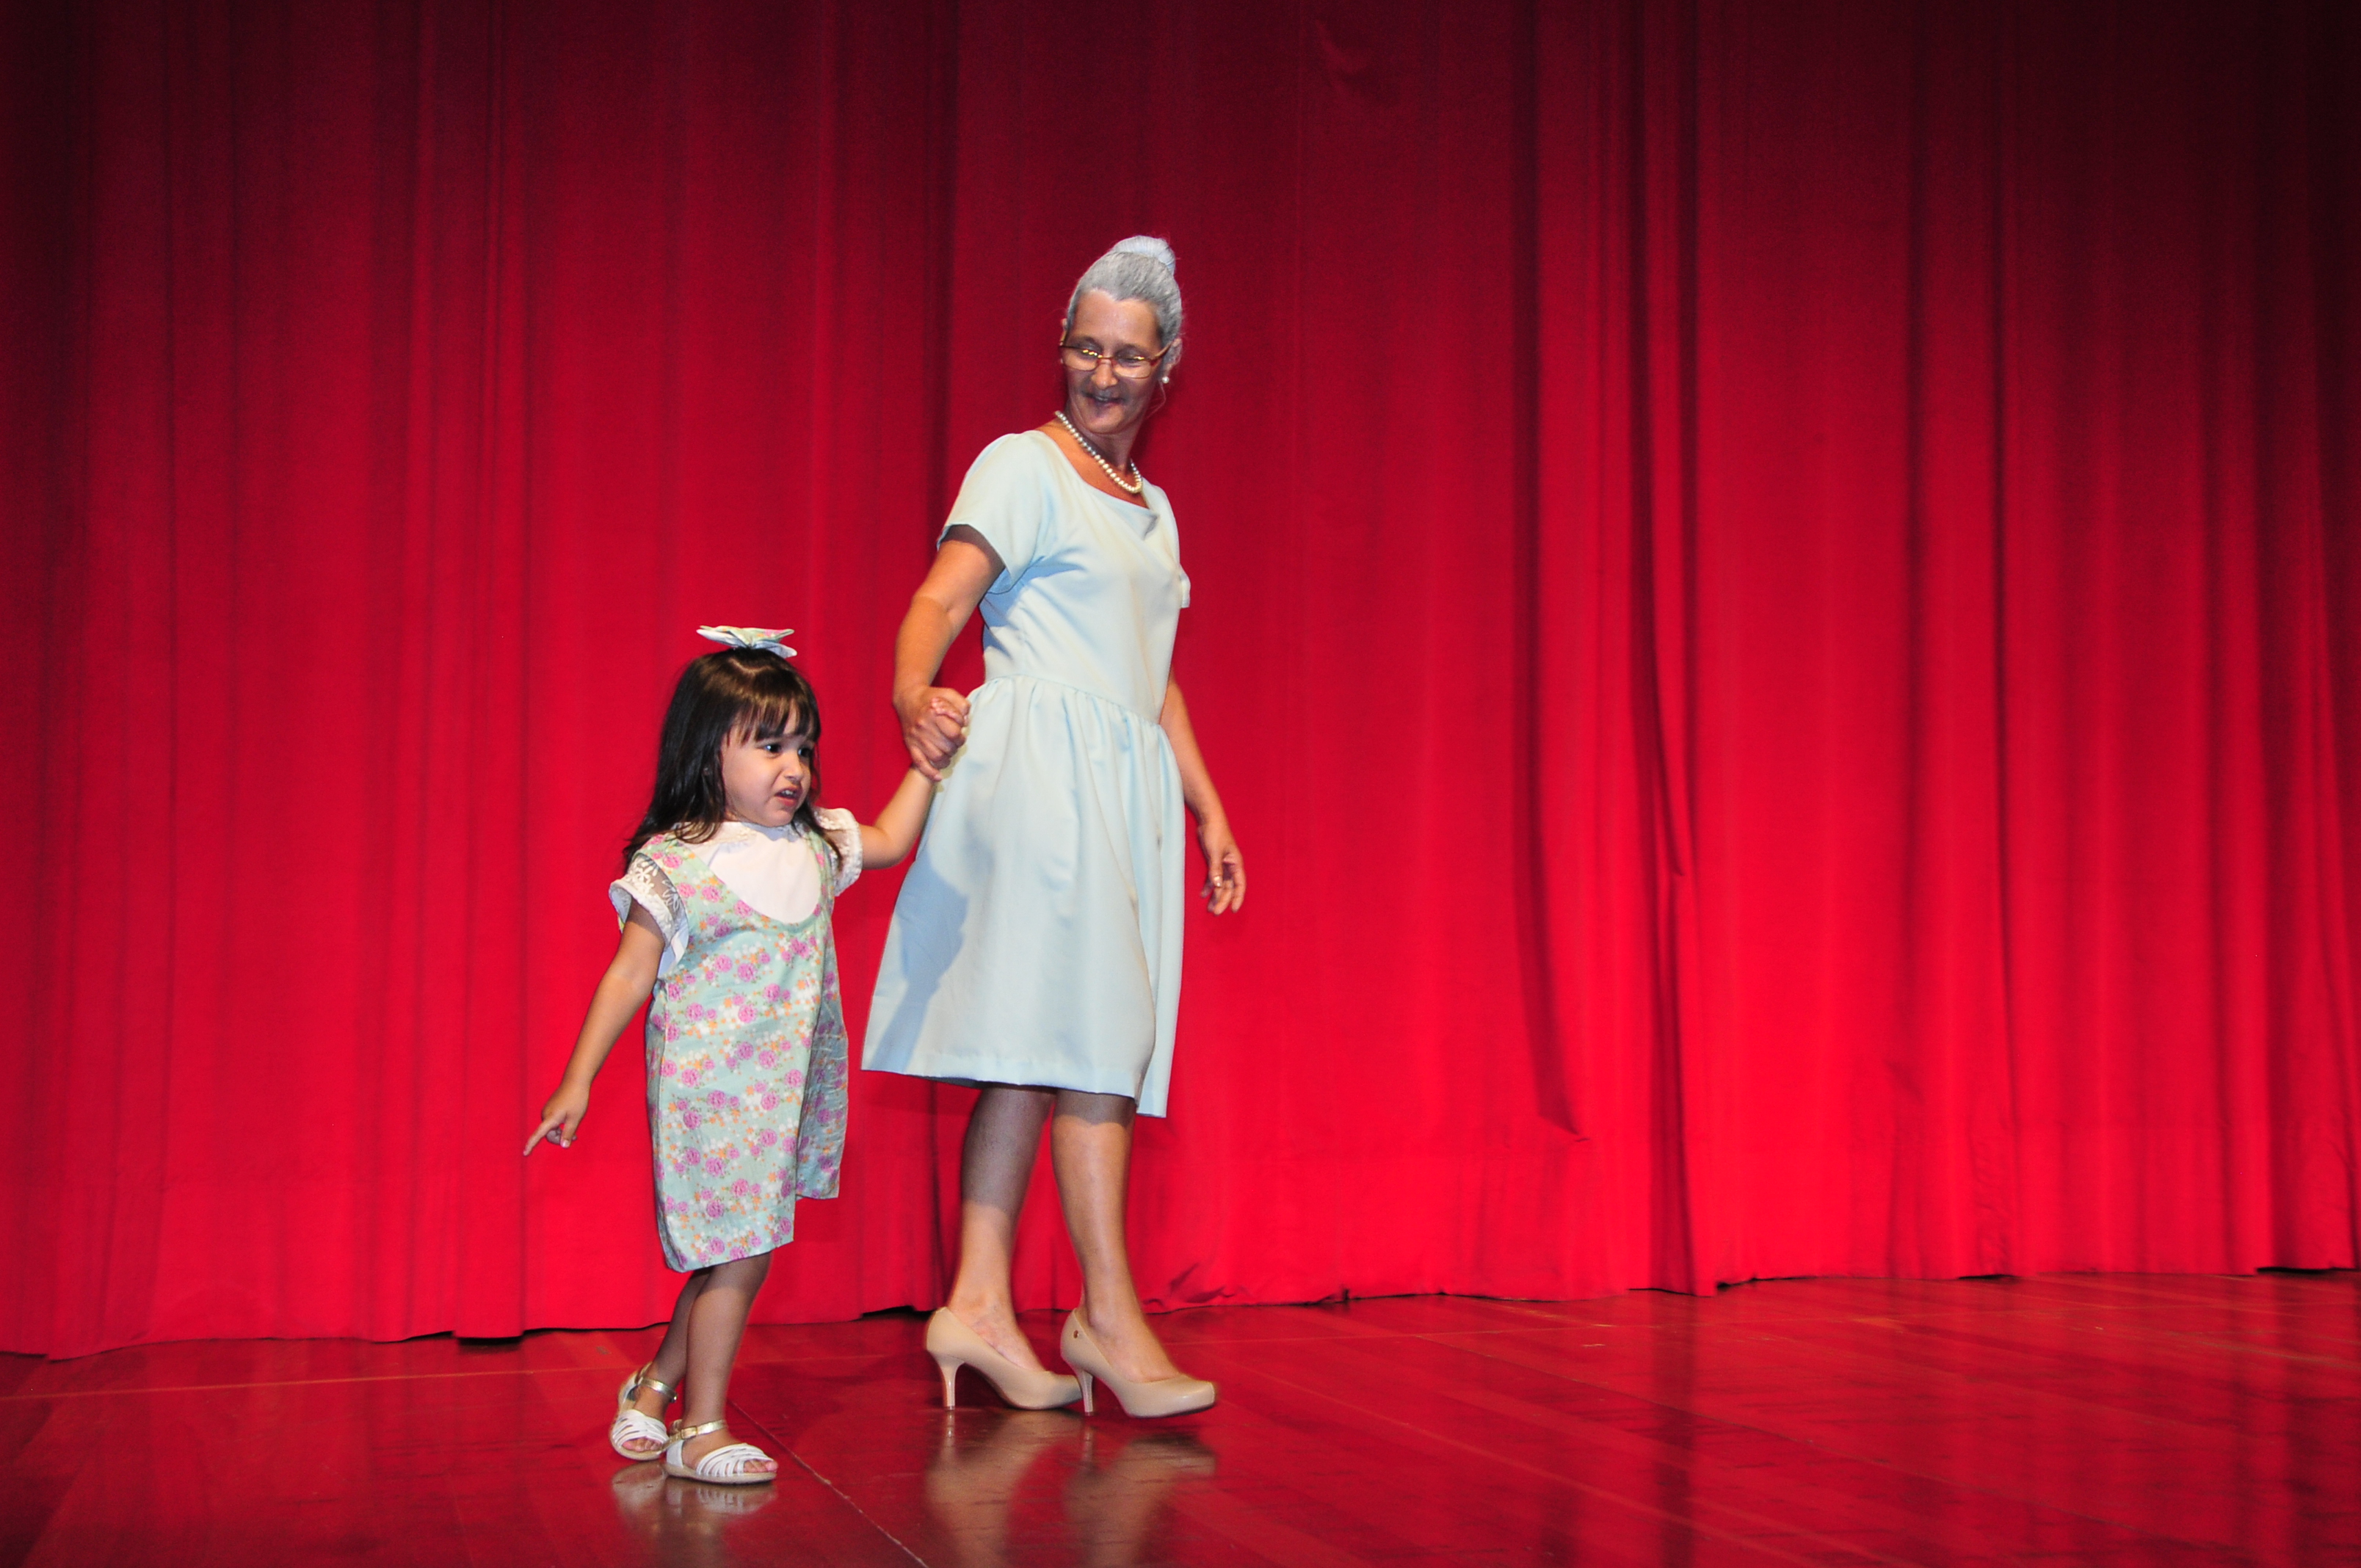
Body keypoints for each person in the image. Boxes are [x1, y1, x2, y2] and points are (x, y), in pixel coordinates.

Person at [865, 237, 1244, 1419]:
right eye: (1088, 348)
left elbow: (1152, 674)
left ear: (1164, 370)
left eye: (1128, 357)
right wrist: (912, 689)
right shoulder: (1022, 466)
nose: (1104, 374)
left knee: (1036, 1046)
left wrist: (1206, 804)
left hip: (1122, 786)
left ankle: (978, 1305)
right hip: (1041, 780)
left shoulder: (1155, 511)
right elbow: (940, 597)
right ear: (1064, 350)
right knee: (1095, 1043)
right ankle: (1106, 1320)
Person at [526, 626, 935, 1481]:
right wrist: (577, 1080)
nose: (795, 768)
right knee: (742, 1255)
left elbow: (892, 839)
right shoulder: (677, 863)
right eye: (770, 747)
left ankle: (652, 1388)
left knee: (735, 1253)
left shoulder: (816, 845)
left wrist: (929, 766)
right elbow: (629, 973)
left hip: (780, 1097)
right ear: (709, 752)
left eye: (804, 748)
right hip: (708, 1096)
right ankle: (701, 1428)